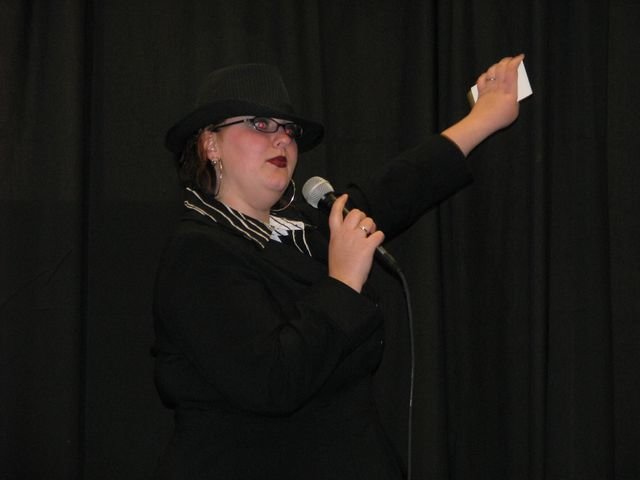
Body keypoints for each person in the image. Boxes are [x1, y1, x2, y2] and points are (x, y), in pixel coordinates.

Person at [152, 56, 523, 479]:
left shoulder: (306, 229)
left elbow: (399, 187)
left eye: (289, 130)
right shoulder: (199, 252)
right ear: (210, 144)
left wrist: (484, 117)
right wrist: (343, 283)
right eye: (261, 124)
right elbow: (272, 381)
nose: (283, 139)